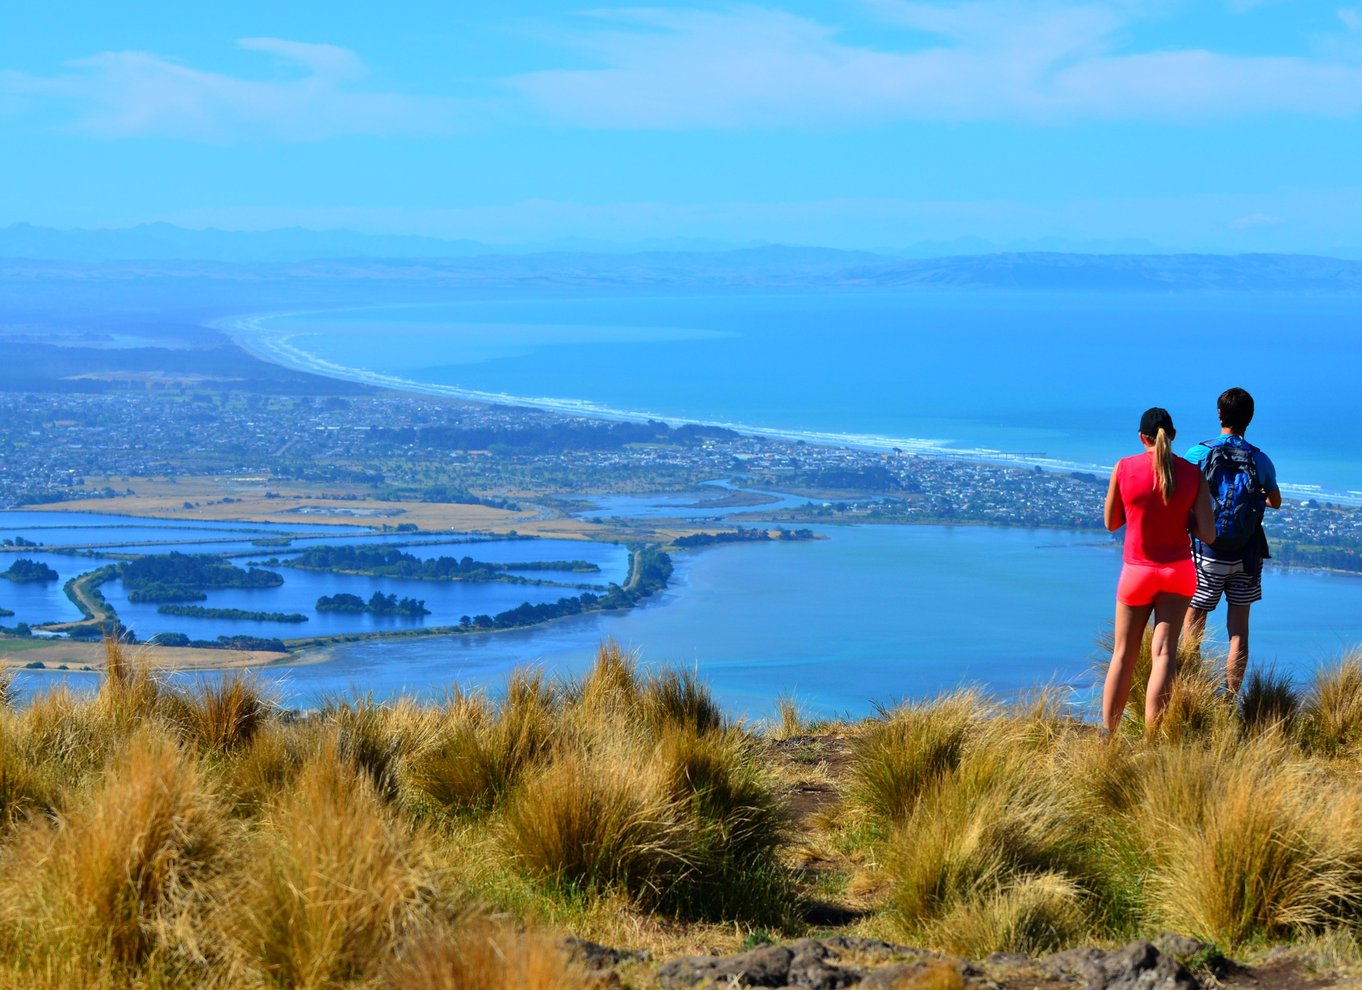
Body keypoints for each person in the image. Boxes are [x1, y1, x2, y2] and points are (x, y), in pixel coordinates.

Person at [1102, 407, 1215, 735]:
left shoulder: (1124, 468)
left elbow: (1111, 523)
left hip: (1137, 572)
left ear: (1142, 438)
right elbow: (1208, 534)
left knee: (1123, 655)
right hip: (1177, 573)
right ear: (1173, 435)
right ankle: (1154, 740)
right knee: (1165, 652)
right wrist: (1184, 518)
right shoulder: (1193, 474)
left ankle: (1107, 738)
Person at [1183, 387, 1281, 697]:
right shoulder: (1260, 459)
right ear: (1250, 419)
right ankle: (1229, 699)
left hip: (1206, 552)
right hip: (1246, 557)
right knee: (1238, 631)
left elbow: (1179, 494)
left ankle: (1190, 689)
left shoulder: (1198, 453)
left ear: (1220, 414)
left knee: (1194, 621)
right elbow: (1275, 501)